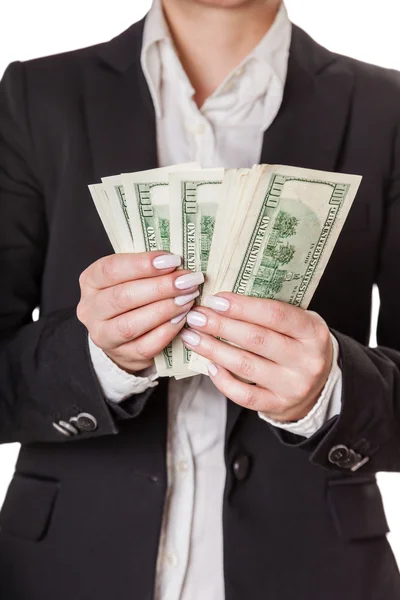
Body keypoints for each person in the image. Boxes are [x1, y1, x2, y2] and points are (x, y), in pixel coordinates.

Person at [0, 0, 400, 598]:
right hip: (65, 567)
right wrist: (98, 361)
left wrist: (329, 391)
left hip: (313, 571)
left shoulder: (386, 108)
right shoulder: (37, 95)